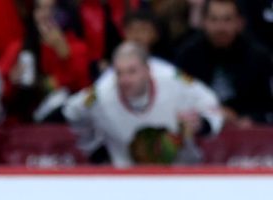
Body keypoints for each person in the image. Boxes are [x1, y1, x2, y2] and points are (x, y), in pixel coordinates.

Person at [63, 42, 223, 166]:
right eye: (119, 73)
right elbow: (72, 111)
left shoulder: (172, 80)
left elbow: (209, 101)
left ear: (148, 69)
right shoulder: (102, 92)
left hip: (181, 171)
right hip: (127, 178)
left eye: (132, 71)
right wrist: (94, 147)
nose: (124, 80)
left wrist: (203, 124)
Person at [175, 0, 273, 125]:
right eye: (214, 19)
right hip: (200, 127)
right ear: (204, 22)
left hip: (247, 133)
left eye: (227, 20)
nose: (220, 27)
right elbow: (180, 94)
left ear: (239, 23)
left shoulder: (259, 57)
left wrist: (250, 119)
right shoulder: (187, 55)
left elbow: (266, 106)